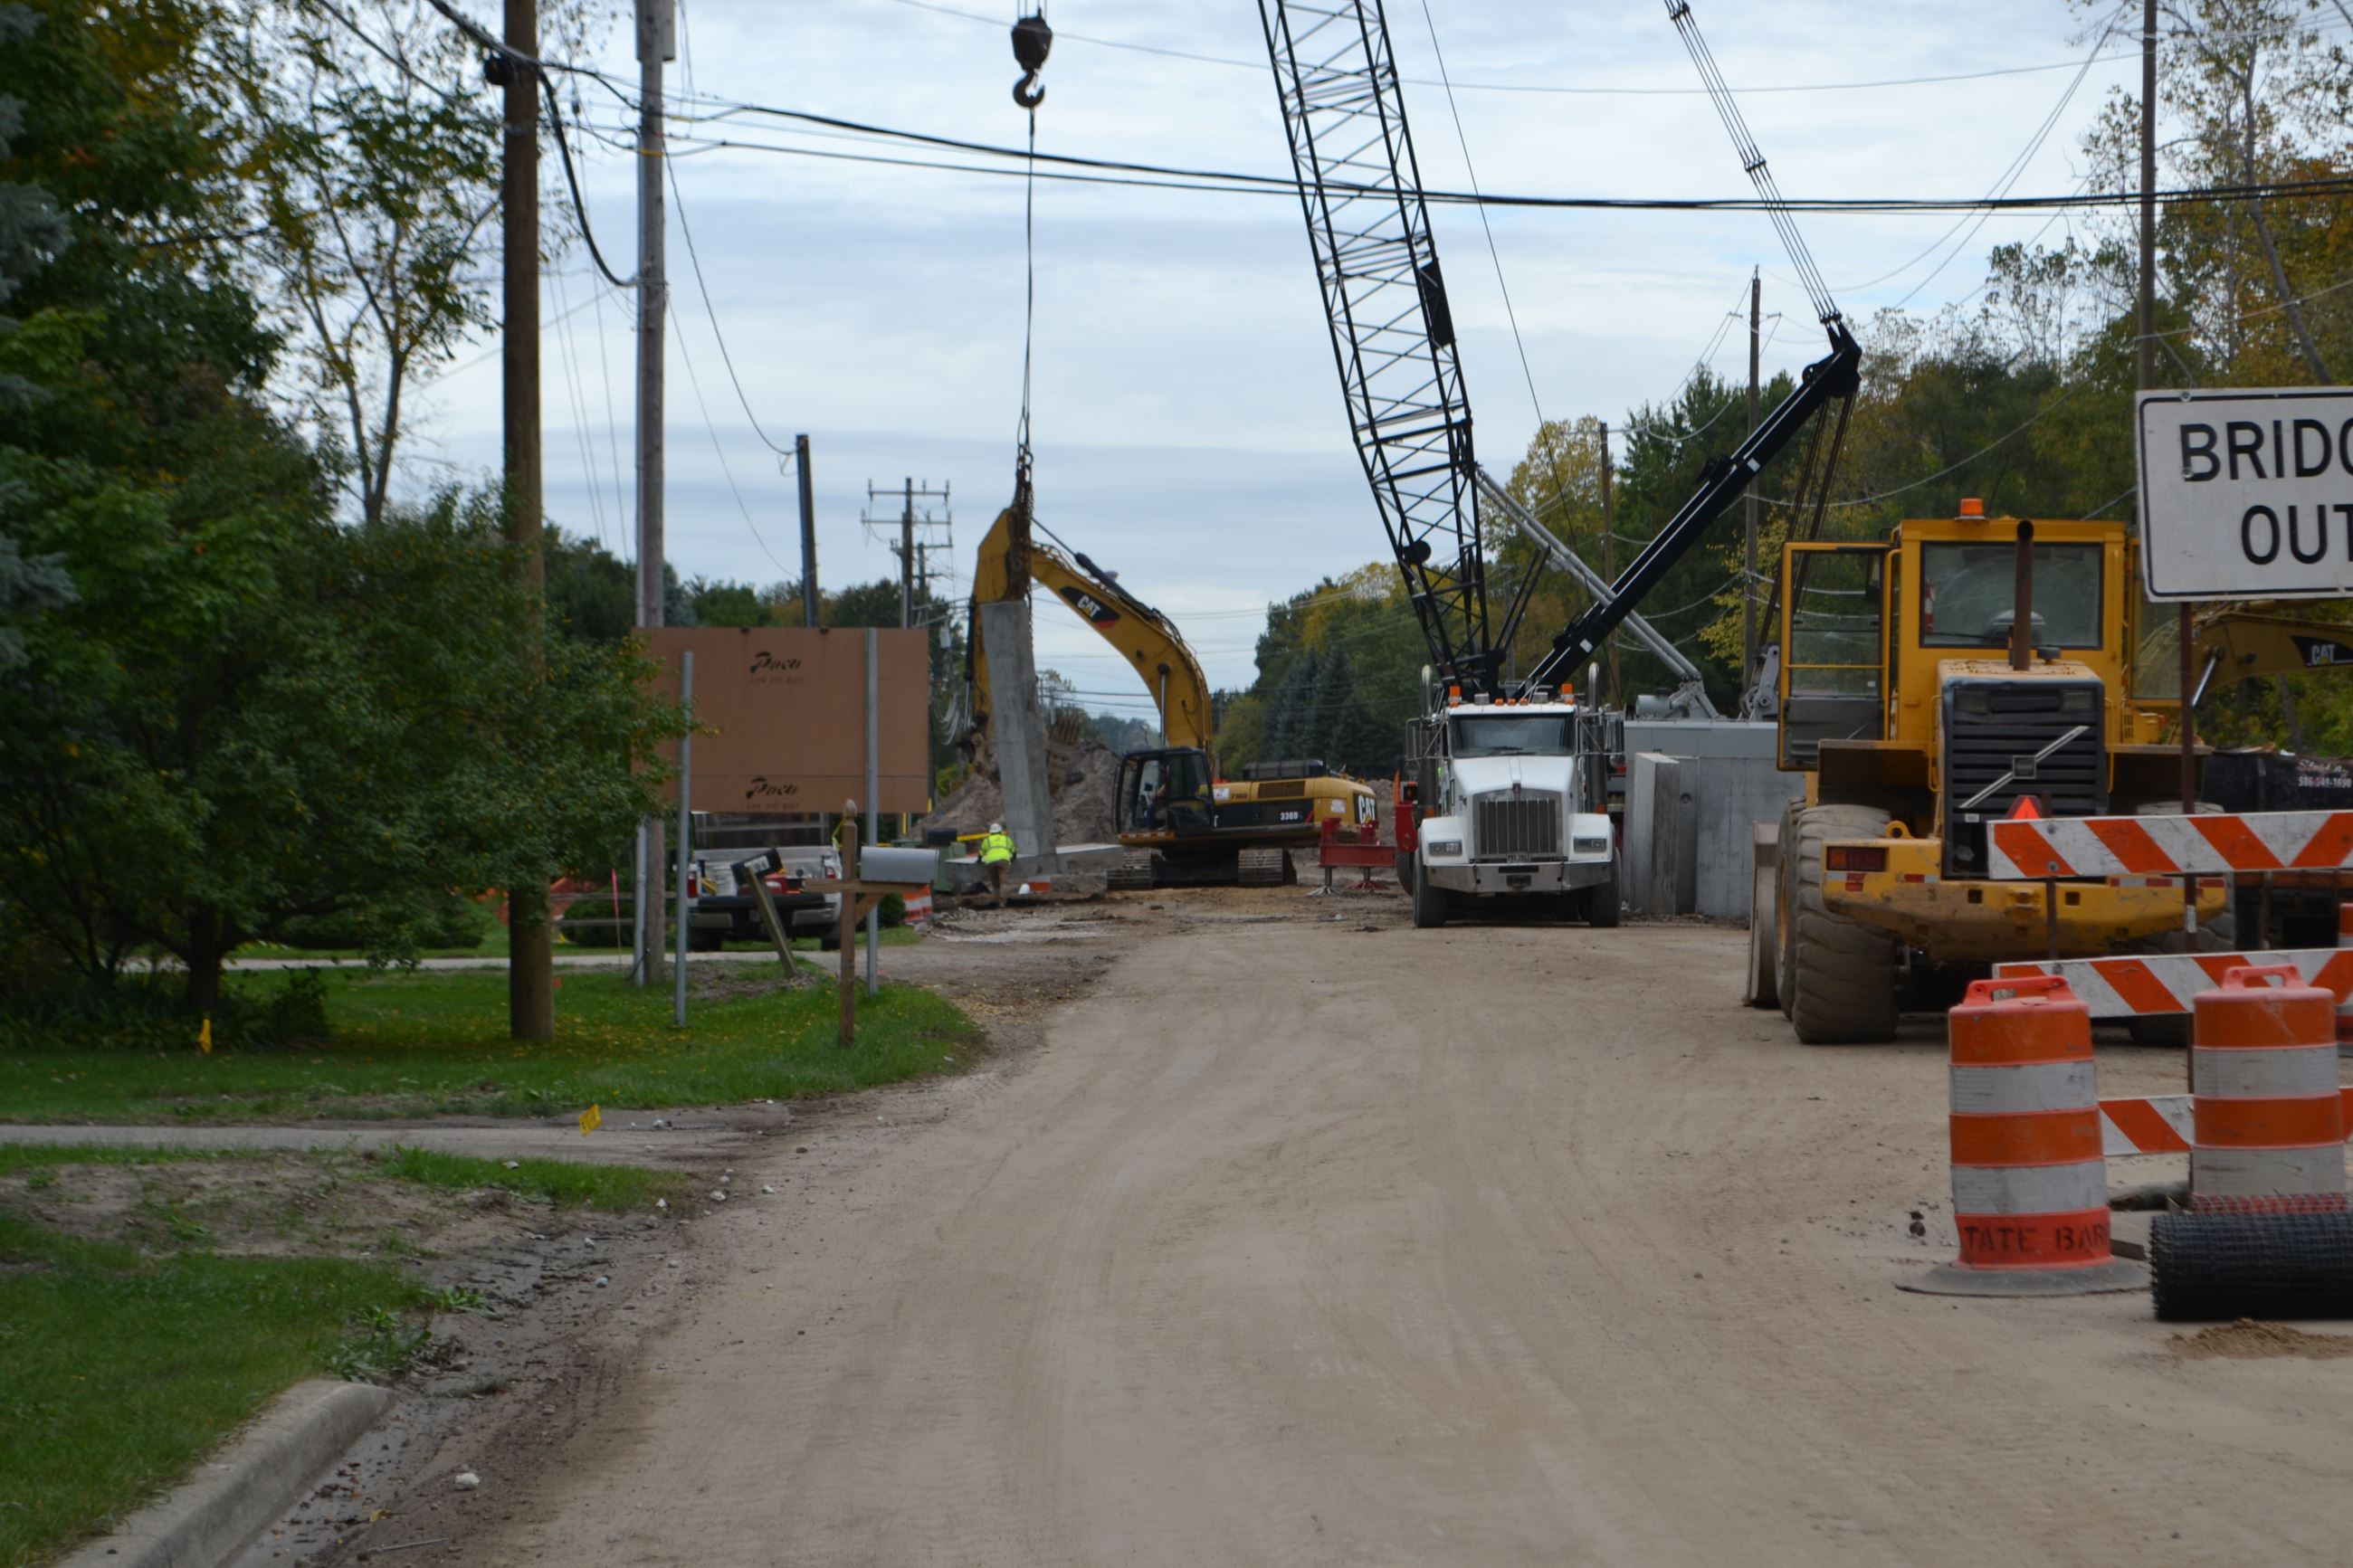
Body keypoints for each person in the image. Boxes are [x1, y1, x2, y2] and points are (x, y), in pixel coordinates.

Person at [979, 820, 1016, 907]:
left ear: (991, 832)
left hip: (990, 862)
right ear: (1000, 831)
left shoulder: (987, 841)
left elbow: (981, 853)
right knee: (1004, 883)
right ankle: (1002, 902)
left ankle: (996, 901)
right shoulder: (1006, 839)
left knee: (995, 883)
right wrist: (1014, 858)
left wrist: (978, 861)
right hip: (1003, 861)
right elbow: (1014, 850)